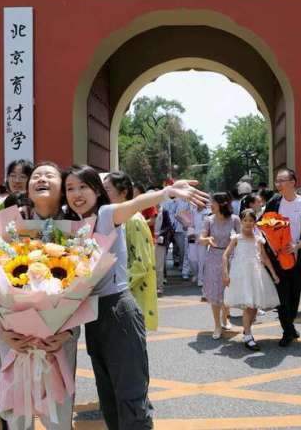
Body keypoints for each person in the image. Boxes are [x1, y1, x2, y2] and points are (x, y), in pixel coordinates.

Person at [64, 164, 207, 429]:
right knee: (108, 395)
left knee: (131, 395)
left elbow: (138, 203)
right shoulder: (72, 226)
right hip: (93, 317)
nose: (76, 193)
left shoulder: (106, 214)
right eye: (70, 188)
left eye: (83, 186)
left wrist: (168, 192)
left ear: (97, 190)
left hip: (118, 311)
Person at [0, 162, 78, 430]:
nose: (41, 178)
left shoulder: (77, 227)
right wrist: (3, 332)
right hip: (15, 337)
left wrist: (68, 334)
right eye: (36, 176)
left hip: (58, 339)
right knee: (18, 417)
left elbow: (86, 286)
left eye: (49, 175)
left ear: (62, 189)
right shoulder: (7, 224)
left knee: (59, 415)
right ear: (28, 189)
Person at [262, 168, 301, 347]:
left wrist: (296, 246)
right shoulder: (275, 201)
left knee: (294, 294)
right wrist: (273, 246)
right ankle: (287, 330)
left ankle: (290, 324)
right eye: (277, 181)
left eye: (282, 180)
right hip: (277, 257)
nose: (278, 184)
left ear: (293, 182)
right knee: (282, 294)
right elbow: (265, 224)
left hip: (298, 257)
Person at [104, 172, 159, 331]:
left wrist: (114, 288)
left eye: (107, 189)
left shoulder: (133, 220)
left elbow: (141, 264)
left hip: (128, 297)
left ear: (123, 193)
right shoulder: (113, 218)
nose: (101, 194)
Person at [222, 209, 279, 351]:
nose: (248, 223)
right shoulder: (236, 238)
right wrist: (225, 274)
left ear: (255, 223)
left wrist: (273, 274)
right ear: (241, 222)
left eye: (251, 220)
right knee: (248, 306)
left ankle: (247, 330)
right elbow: (225, 256)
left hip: (256, 273)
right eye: (245, 220)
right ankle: (248, 335)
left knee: (254, 306)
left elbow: (264, 258)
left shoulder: (258, 239)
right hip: (241, 275)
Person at [199, 192, 241, 339]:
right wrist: (207, 239)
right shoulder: (208, 220)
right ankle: (217, 325)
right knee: (216, 291)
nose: (210, 205)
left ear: (222, 204)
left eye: (213, 202)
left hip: (231, 257)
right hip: (214, 258)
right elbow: (201, 238)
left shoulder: (235, 219)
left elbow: (242, 237)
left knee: (227, 290)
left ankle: (225, 317)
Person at [187, 202, 210, 287]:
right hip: (193, 237)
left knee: (201, 259)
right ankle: (196, 274)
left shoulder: (208, 212)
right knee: (191, 258)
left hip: (203, 238)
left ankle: (201, 278)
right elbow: (190, 224)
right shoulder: (193, 211)